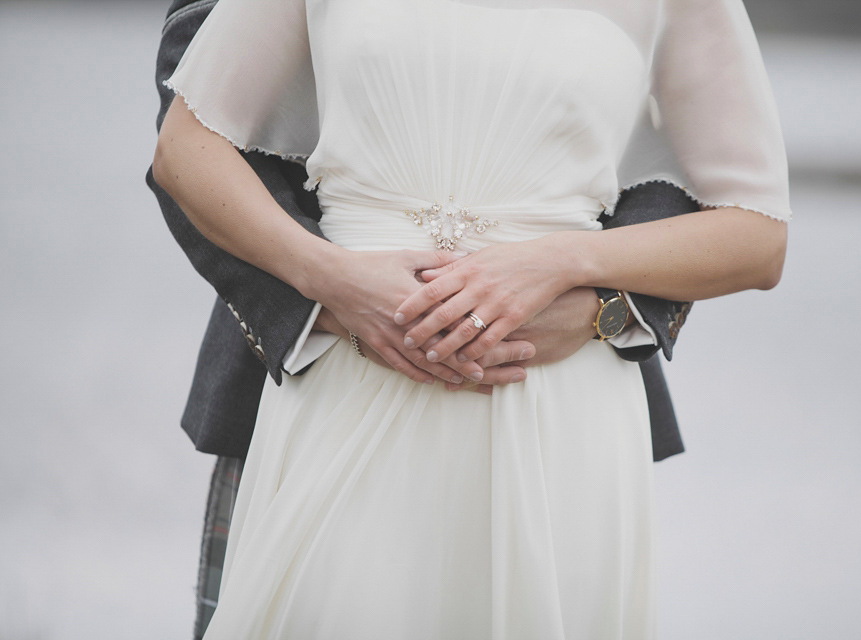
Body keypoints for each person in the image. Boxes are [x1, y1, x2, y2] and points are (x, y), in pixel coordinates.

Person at [153, 0, 790, 637]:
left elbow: (754, 232)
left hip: (557, 399)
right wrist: (330, 286)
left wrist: (576, 270)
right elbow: (186, 146)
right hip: (339, 372)